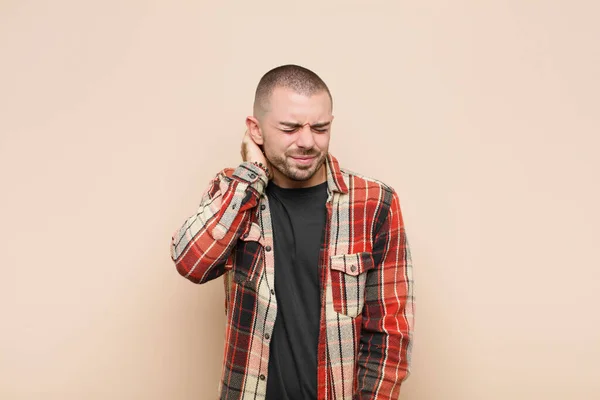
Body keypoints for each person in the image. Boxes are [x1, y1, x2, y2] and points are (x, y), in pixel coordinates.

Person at [170, 64, 414, 400]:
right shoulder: (232, 192)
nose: (307, 142)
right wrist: (251, 176)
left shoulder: (374, 203)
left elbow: (390, 333)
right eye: (290, 128)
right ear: (255, 130)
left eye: (320, 128)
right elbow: (191, 263)